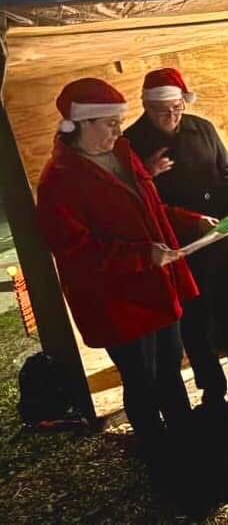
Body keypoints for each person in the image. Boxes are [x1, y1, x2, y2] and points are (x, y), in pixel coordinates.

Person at [36, 78, 207, 467]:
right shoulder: (58, 181)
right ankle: (157, 453)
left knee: (170, 369)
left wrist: (191, 221)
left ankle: (187, 438)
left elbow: (151, 209)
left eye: (118, 121)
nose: (118, 129)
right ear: (81, 124)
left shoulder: (123, 154)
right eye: (109, 122)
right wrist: (141, 256)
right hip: (120, 302)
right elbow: (77, 252)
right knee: (141, 380)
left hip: (157, 288)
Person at [124, 68, 228, 414]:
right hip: (175, 246)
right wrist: (145, 172)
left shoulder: (201, 128)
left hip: (216, 235)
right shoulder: (130, 143)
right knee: (194, 319)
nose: (172, 116)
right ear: (146, 107)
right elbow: (129, 197)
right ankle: (211, 387)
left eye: (177, 108)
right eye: (162, 111)